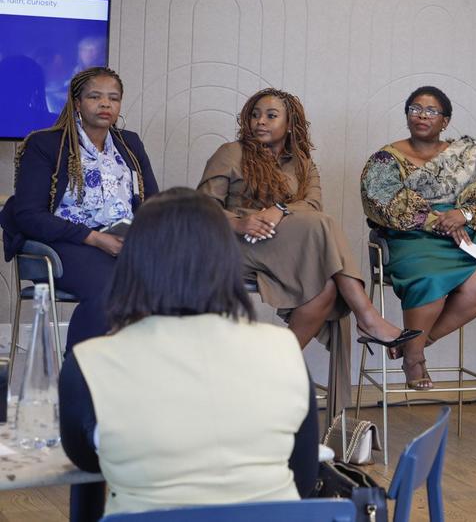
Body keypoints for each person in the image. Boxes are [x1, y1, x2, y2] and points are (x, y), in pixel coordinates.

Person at [60, 188, 317, 518]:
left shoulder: (90, 362)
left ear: (133, 264)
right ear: (227, 263)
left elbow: (87, 461)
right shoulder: (284, 348)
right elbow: (303, 477)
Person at [197, 88, 412, 354]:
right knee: (323, 224)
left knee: (327, 287)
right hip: (234, 244)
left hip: (282, 250)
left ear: (290, 124)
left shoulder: (303, 164)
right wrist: (240, 224)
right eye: (255, 115)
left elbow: (312, 204)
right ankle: (368, 318)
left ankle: (278, 364)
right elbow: (201, 207)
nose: (260, 121)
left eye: (271, 115)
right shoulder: (231, 152)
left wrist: (279, 209)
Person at [360, 86, 476, 390]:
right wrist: (439, 221)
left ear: (445, 120)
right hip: (409, 238)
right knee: (430, 277)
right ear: (407, 116)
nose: (422, 116)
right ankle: (415, 360)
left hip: (458, 238)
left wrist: (463, 215)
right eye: (415, 109)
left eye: (431, 111)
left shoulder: (465, 155)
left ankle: (414, 344)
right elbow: (381, 202)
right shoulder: (386, 158)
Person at [0, 66, 158, 349]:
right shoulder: (45, 144)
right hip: (66, 242)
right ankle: (80, 369)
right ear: (77, 103)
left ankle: (134, 366)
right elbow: (28, 215)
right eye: (95, 96)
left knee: (171, 281)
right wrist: (94, 238)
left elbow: (154, 204)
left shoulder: (130, 143)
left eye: (113, 98)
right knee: (114, 287)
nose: (105, 104)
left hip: (124, 243)